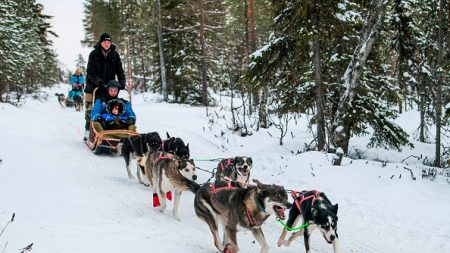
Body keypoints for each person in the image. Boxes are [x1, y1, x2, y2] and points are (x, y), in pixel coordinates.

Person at [84, 32, 126, 140]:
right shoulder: (94, 54)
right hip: (93, 86)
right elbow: (90, 71)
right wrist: (99, 82)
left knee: (109, 108)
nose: (107, 44)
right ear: (101, 42)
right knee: (91, 109)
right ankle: (88, 129)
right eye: (105, 42)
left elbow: (120, 71)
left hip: (109, 87)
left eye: (108, 42)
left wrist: (122, 82)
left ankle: (110, 130)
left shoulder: (114, 55)